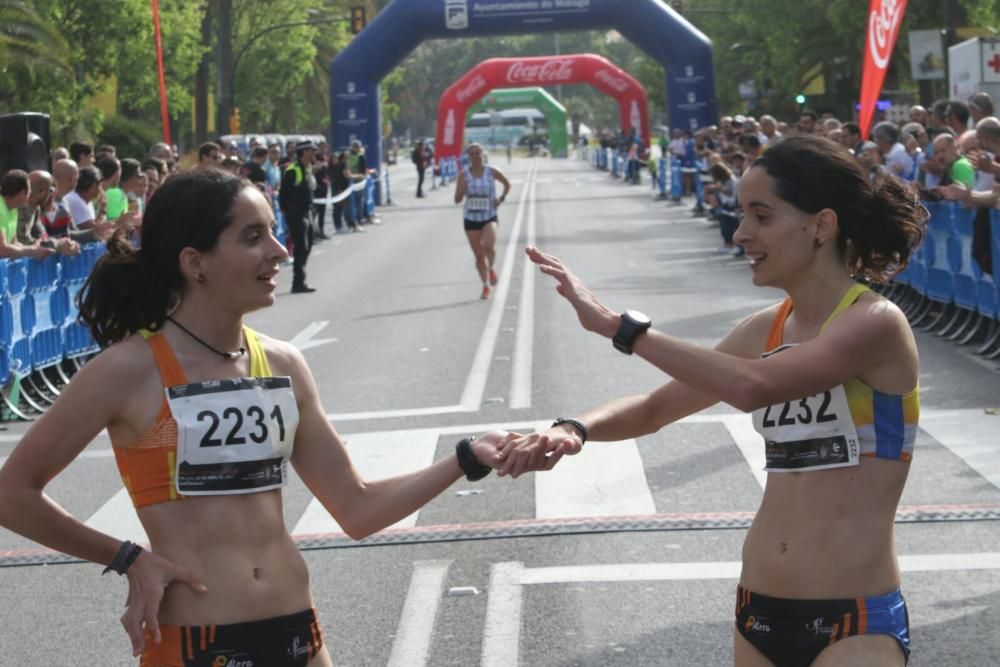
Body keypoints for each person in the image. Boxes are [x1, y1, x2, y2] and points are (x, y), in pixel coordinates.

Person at [0, 167, 515, 665]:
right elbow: (12, 494)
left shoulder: (284, 364)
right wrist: (128, 559)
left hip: (297, 631)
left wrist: (467, 457)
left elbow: (358, 509)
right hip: (196, 643)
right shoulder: (128, 370)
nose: (280, 250)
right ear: (194, 262)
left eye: (272, 232)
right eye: (253, 237)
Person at [497, 136, 927, 666]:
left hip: (853, 619)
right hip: (759, 611)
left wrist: (621, 328)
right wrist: (573, 429)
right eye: (742, 215)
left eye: (761, 216)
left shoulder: (874, 323)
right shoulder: (762, 330)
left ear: (821, 224)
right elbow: (655, 409)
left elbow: (753, 388)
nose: (742, 233)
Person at [453, 143, 511, 300]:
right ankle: (485, 285)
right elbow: (457, 199)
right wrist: (462, 190)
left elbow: (507, 183)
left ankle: (491, 268)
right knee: (479, 256)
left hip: (489, 215)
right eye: (472, 153)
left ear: (483, 154)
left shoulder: (491, 171)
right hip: (471, 218)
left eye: (478, 152)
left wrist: (501, 198)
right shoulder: (463, 175)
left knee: (489, 246)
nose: (476, 156)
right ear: (468, 157)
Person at [280, 139, 318, 293]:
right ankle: (298, 283)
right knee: (301, 247)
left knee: (307, 246)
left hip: (307, 212)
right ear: (304, 152)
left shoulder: (308, 168)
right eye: (312, 151)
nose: (315, 153)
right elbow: (284, 193)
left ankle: (300, 280)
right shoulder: (292, 169)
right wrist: (287, 212)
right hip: (296, 214)